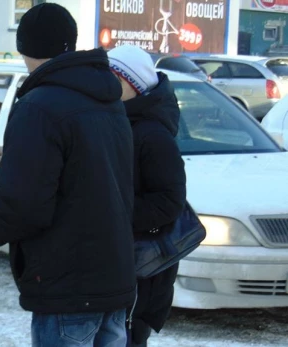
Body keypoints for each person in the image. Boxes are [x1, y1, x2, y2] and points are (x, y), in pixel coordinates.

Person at [0, 3, 137, 346]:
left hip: (69, 288)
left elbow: (25, 208)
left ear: (23, 48)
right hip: (114, 282)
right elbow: (87, 165)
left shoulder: (39, 106)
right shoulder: (106, 99)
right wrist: (17, 155)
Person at [107, 45, 187, 347]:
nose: (106, 84)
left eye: (113, 76)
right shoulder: (119, 121)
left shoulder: (153, 134)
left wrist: (113, 212)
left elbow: (169, 201)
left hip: (142, 272)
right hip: (119, 263)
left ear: (133, 84)